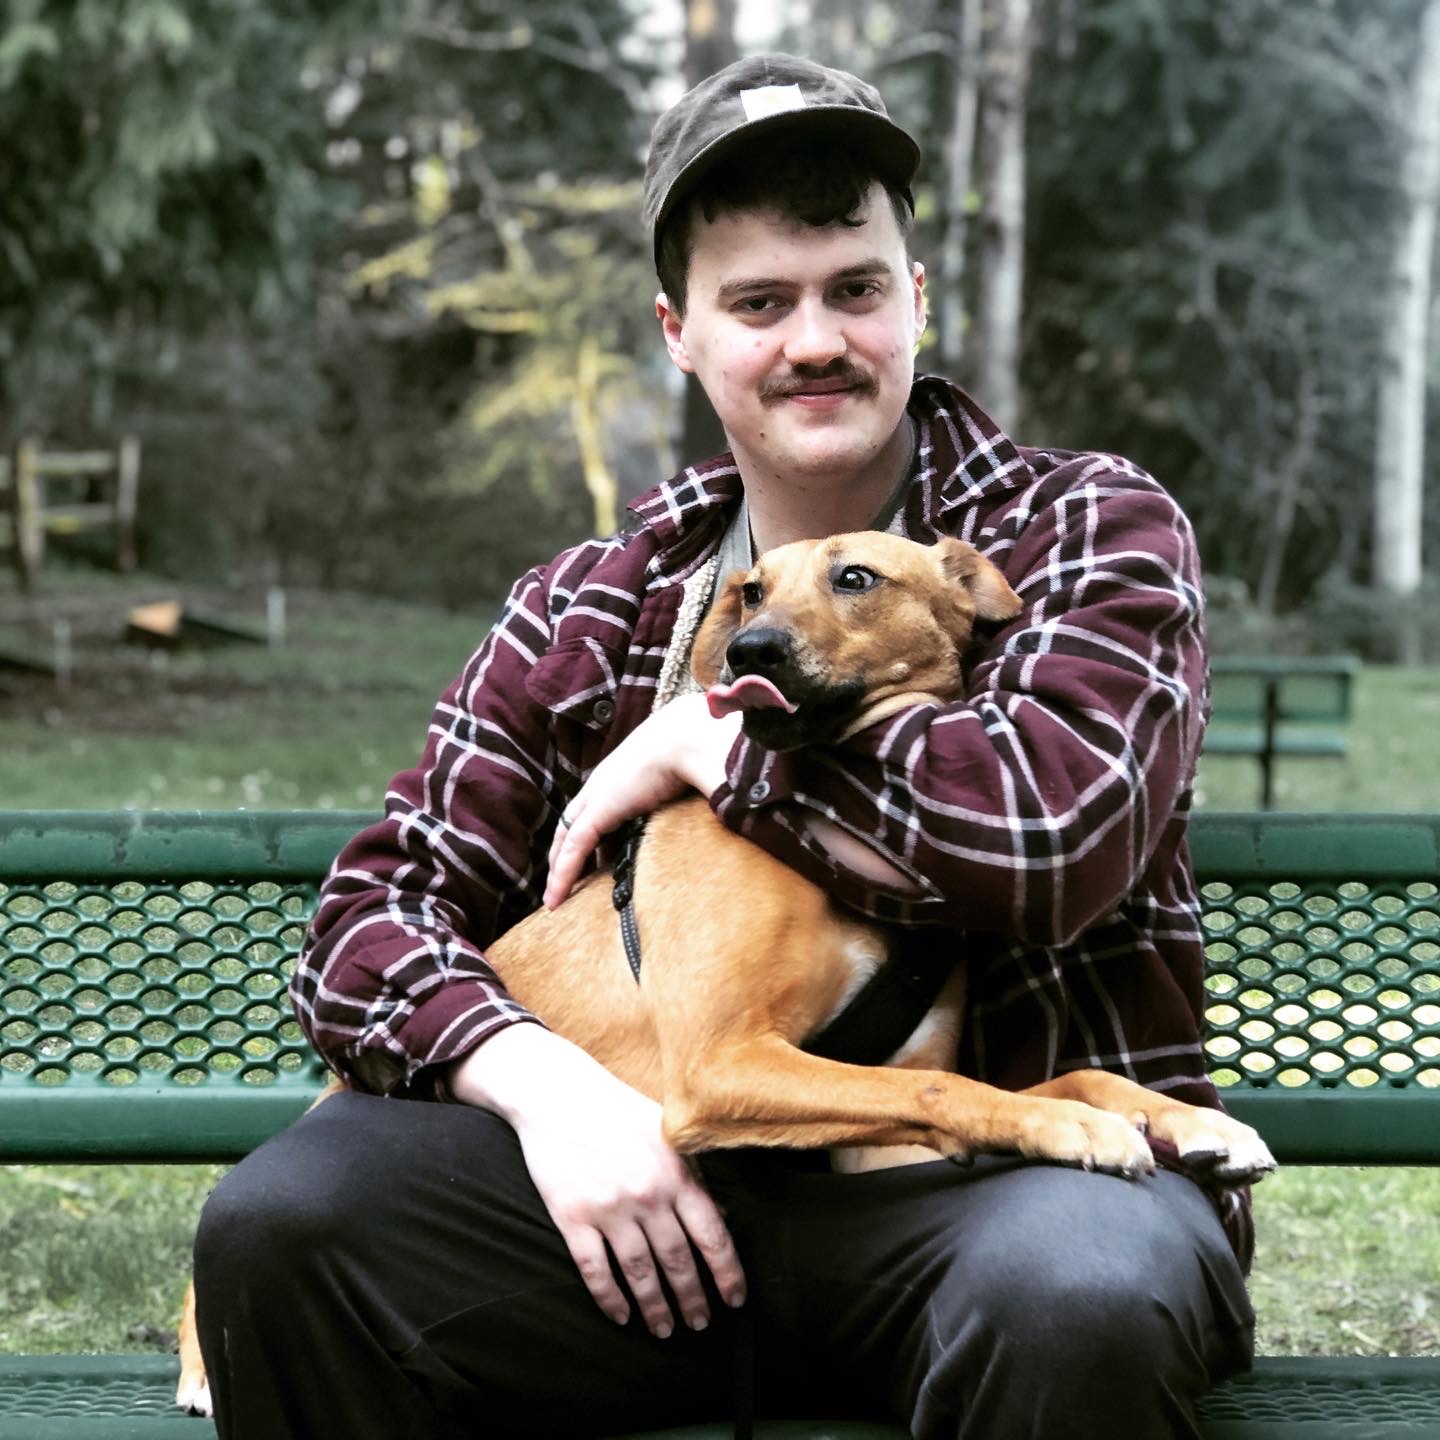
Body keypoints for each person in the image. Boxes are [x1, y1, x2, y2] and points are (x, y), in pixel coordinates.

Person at [194, 53, 1255, 1440]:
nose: (814, 339)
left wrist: (715, 747)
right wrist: (552, 1093)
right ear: (679, 332)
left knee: (1074, 1295)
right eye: (759, 302)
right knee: (288, 1223)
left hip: (1005, 1205)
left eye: (854, 290)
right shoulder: (587, 604)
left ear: (915, 301)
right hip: (641, 1220)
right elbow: (368, 927)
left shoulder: (1083, 528)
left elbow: (1053, 837)